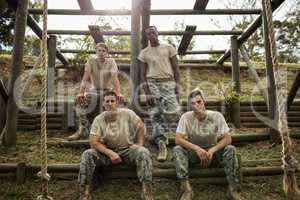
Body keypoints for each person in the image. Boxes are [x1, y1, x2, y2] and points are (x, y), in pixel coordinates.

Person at [78, 90, 154, 200]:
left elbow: (141, 125)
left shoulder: (127, 113)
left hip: (128, 150)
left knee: (144, 152)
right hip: (107, 153)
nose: (109, 103)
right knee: (87, 154)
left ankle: (147, 190)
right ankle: (85, 191)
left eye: (112, 101)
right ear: (103, 104)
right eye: (107, 101)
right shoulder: (99, 119)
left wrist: (140, 143)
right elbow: (93, 142)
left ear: (117, 102)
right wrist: (110, 153)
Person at [173, 89, 242, 200]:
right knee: (177, 149)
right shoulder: (185, 117)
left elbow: (227, 139)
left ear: (204, 101)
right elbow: (178, 139)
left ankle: (232, 189)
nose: (196, 105)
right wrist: (196, 148)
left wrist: (212, 150)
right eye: (192, 103)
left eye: (199, 102)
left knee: (230, 149)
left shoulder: (216, 116)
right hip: (194, 155)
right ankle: (186, 189)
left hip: (213, 154)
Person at [138, 26, 181, 162]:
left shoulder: (168, 48)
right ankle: (161, 144)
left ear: (157, 33)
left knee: (173, 112)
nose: (151, 34)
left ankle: (168, 133)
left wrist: (177, 86)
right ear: (147, 36)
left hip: (168, 81)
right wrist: (147, 92)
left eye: (153, 32)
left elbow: (176, 69)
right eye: (148, 33)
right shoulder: (144, 53)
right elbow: (142, 75)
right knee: (155, 114)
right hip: (152, 83)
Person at [67, 42, 123, 141]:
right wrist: (81, 92)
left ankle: (113, 132)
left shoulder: (111, 62)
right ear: (96, 52)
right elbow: (85, 78)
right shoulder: (91, 61)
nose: (101, 53)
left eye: (104, 51)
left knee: (117, 103)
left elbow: (115, 78)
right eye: (99, 51)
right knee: (80, 102)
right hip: (94, 90)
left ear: (107, 53)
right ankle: (82, 129)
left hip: (108, 90)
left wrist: (118, 93)